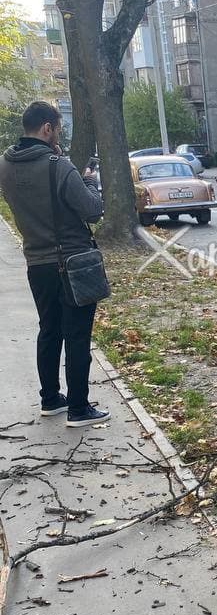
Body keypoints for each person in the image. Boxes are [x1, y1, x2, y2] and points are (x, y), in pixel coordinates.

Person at [0, 101, 109, 428]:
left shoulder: (4, 164)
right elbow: (92, 210)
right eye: (58, 128)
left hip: (36, 262)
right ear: (48, 128)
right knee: (77, 336)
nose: (58, 133)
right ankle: (78, 408)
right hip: (72, 263)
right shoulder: (58, 166)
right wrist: (88, 180)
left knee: (48, 330)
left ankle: (51, 399)